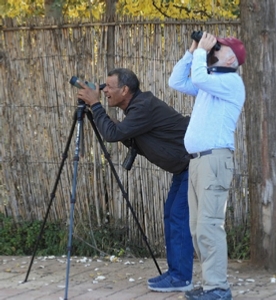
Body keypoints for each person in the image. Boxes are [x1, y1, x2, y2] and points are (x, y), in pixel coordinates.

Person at [76, 68, 194, 292]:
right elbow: (120, 132)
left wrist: (96, 105)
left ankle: (182, 278)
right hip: (184, 167)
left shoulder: (142, 108)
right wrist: (97, 106)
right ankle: (177, 274)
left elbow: (112, 135)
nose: (105, 91)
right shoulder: (137, 108)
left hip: (194, 164)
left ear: (125, 89)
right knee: (172, 214)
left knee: (178, 217)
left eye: (109, 87)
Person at [168, 32, 246, 300]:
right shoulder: (209, 83)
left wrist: (202, 52)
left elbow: (199, 76)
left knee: (209, 226)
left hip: (214, 160)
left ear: (231, 58)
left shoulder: (232, 81)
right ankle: (212, 283)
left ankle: (219, 289)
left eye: (219, 48)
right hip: (198, 162)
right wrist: (192, 49)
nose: (214, 49)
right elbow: (176, 80)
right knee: (196, 228)